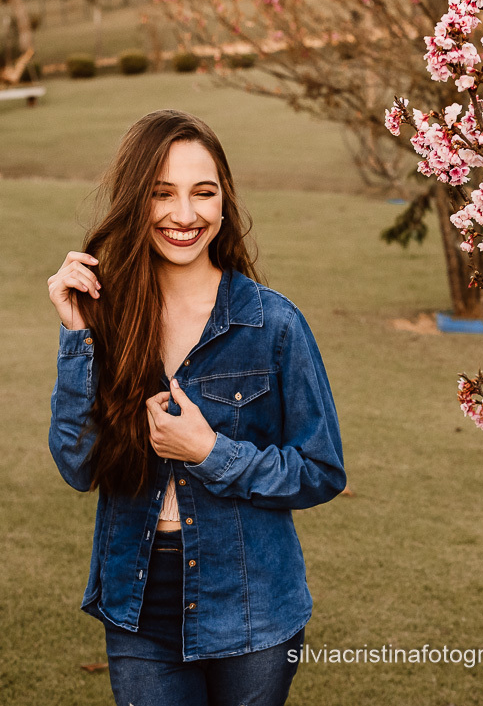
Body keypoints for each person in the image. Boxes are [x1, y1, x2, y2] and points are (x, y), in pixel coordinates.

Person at [47, 109, 346, 706]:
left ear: (224, 203)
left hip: (253, 607)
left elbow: (321, 469)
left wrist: (212, 454)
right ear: (136, 202)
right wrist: (78, 337)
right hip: (137, 604)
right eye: (163, 194)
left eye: (202, 193)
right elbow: (78, 466)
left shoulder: (274, 324)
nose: (185, 215)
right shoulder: (107, 319)